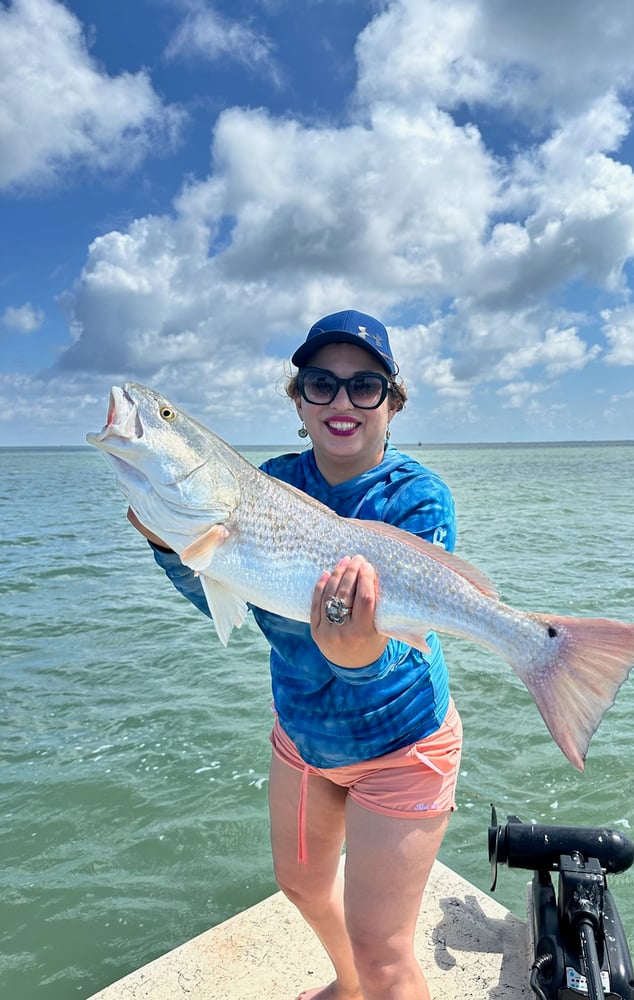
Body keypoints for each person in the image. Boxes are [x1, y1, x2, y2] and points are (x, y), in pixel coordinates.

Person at [128, 309, 462, 1000]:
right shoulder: (268, 483)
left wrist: (357, 654)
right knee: (303, 887)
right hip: (304, 738)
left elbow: (404, 651)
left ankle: (367, 978)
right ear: (298, 401)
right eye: (320, 384)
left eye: (364, 385)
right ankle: (349, 987)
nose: (341, 401)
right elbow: (236, 599)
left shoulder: (419, 498)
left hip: (403, 745)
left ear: (392, 404)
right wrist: (170, 546)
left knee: (385, 950)